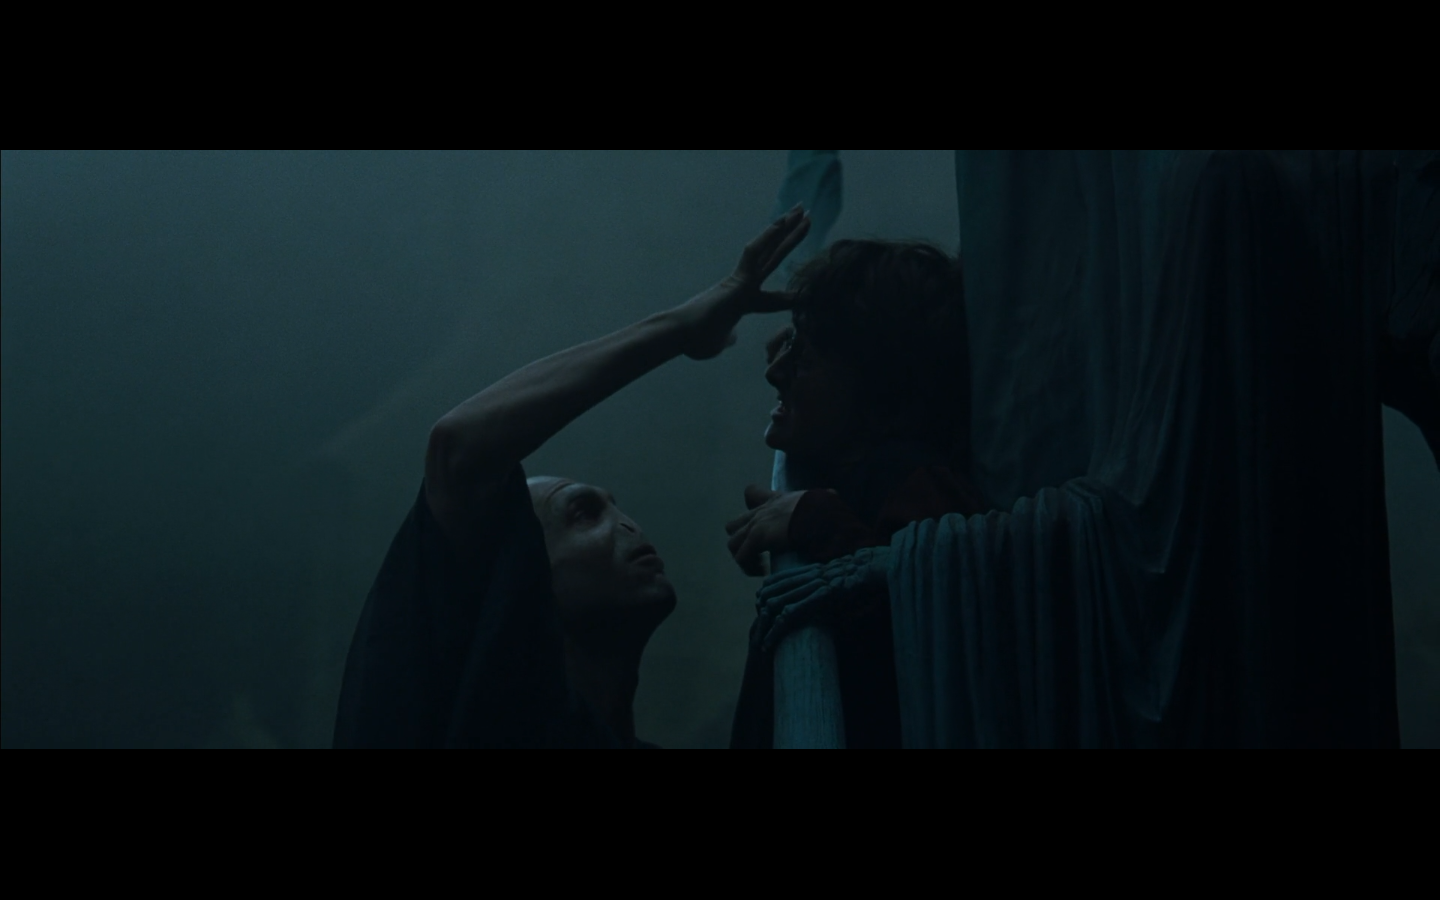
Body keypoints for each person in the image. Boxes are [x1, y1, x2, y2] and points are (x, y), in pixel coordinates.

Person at [332, 206, 812, 748]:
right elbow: (458, 447)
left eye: (614, 507)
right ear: (520, 580)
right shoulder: (456, 717)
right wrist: (682, 327)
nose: (628, 524)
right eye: (582, 514)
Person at [722, 239, 994, 749]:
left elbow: (930, 627)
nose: (774, 371)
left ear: (881, 392)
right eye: (789, 344)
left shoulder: (912, 479)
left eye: (805, 358)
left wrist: (816, 520)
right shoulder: (858, 472)